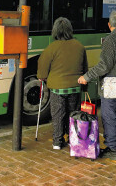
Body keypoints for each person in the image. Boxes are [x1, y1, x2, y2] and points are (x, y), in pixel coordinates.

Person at [77, 11, 116, 161]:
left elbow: (104, 66)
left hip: (112, 87)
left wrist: (86, 77)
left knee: (110, 117)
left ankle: (113, 149)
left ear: (110, 25)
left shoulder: (111, 40)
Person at [37, 17, 88, 150]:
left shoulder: (51, 48)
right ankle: (73, 139)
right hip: (75, 88)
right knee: (73, 114)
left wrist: (42, 77)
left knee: (58, 115)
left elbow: (42, 73)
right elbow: (85, 69)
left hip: (57, 89)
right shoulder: (79, 46)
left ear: (55, 31)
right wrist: (84, 87)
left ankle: (57, 142)